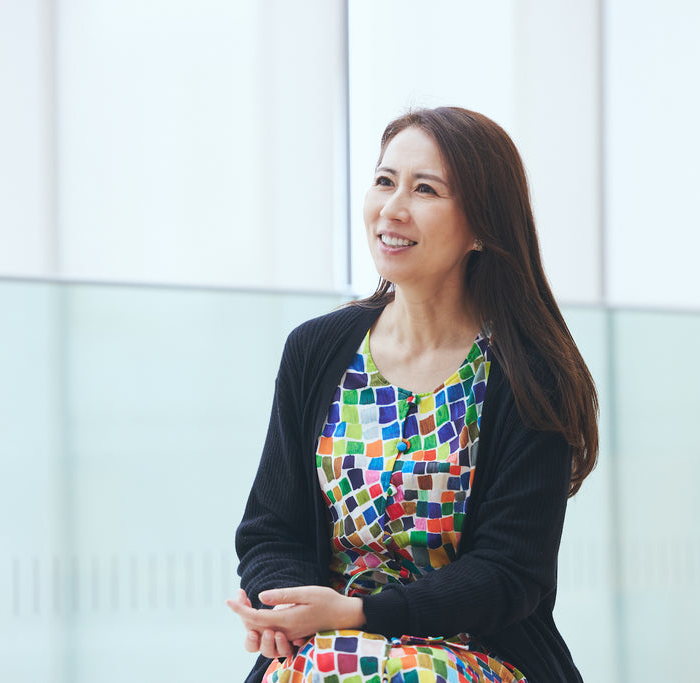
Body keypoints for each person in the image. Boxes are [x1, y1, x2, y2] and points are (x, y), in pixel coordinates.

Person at [227, 106, 598, 683]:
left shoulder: (528, 373)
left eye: (425, 189)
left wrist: (357, 615)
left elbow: (509, 574)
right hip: (325, 651)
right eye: (384, 180)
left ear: (482, 226)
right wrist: (285, 607)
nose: (392, 208)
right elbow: (271, 528)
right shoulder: (316, 349)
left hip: (478, 652)